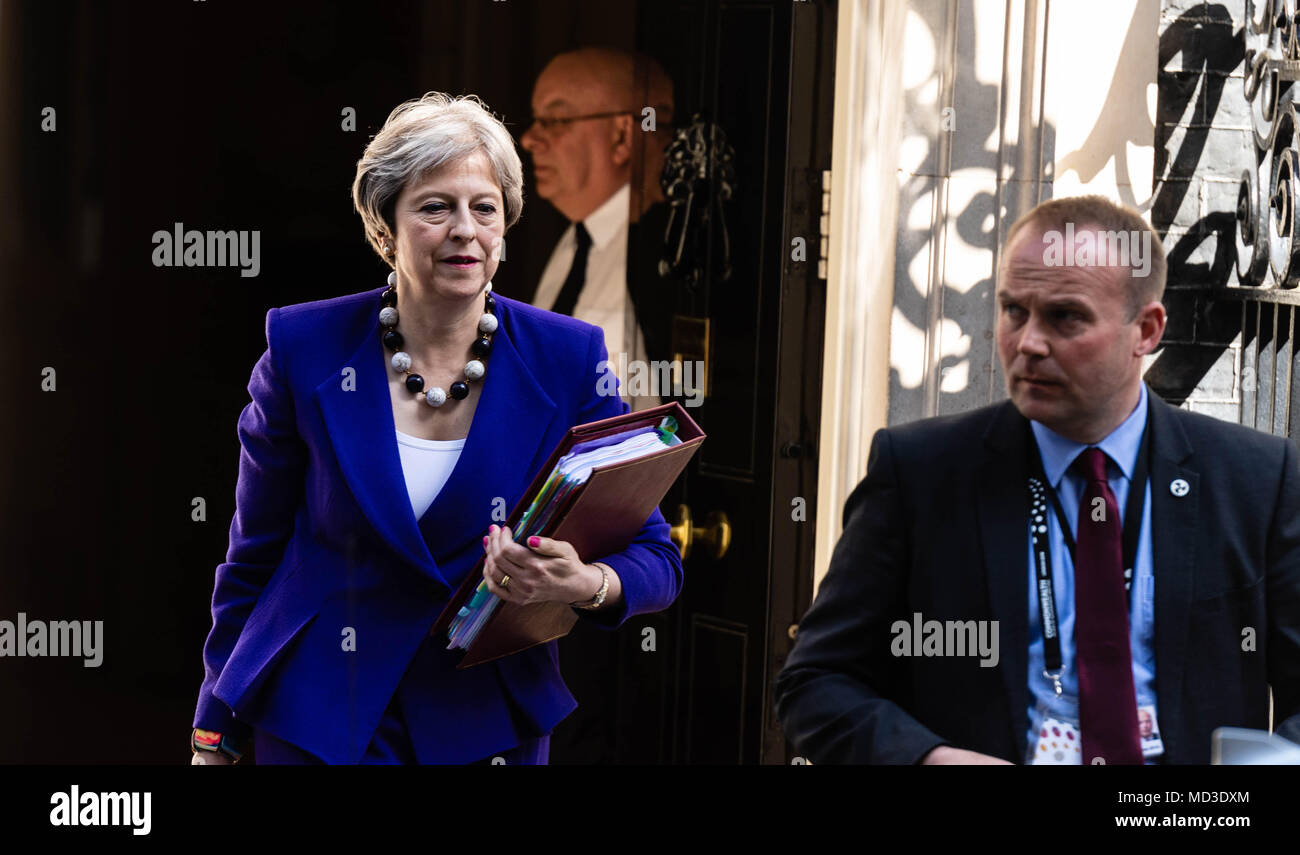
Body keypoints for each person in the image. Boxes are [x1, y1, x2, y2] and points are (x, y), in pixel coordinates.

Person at [190, 92, 684, 765]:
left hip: (482, 719)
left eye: (484, 208)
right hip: (317, 714)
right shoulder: (303, 345)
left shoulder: (568, 358)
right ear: (384, 225)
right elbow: (253, 558)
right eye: (434, 207)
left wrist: (584, 584)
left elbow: (657, 559)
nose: (465, 229)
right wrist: (212, 731)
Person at [774, 195, 1300, 764]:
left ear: (1145, 331)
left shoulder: (1256, 481)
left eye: (1064, 316)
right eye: (1013, 310)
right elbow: (816, 683)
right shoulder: (920, 473)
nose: (1027, 343)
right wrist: (930, 759)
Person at [521, 47, 676, 412]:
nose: (529, 139)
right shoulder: (573, 241)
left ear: (622, 137)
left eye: (555, 121)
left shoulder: (662, 253)